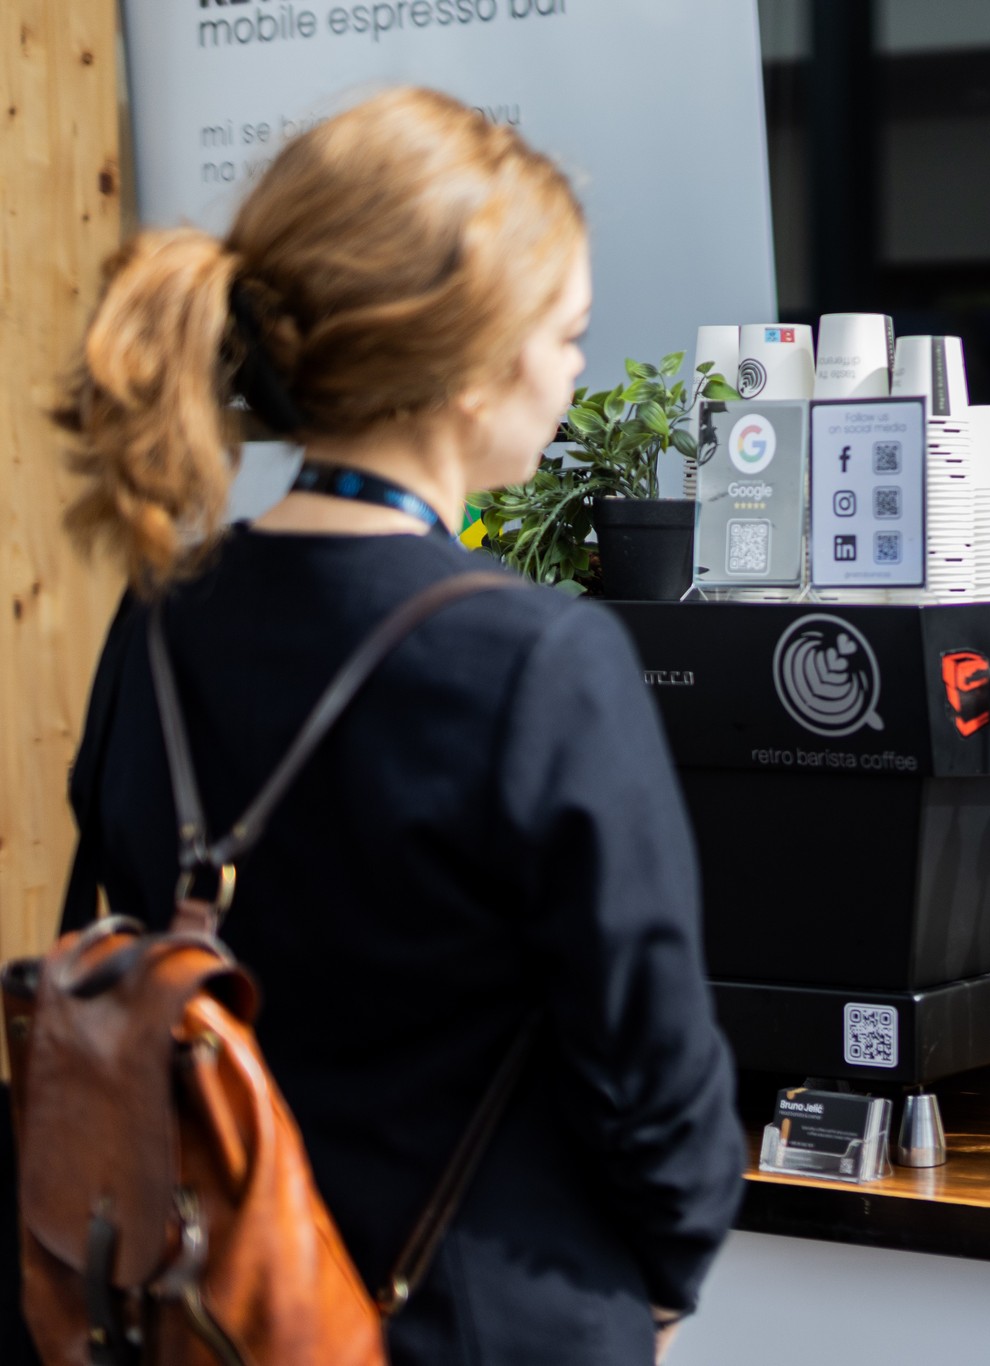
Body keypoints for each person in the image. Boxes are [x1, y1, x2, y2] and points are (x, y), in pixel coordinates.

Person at [51, 87, 743, 1363]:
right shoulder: (540, 658)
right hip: (478, 1317)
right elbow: (653, 1070)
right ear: (468, 367)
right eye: (565, 333)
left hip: (200, 1314)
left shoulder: (154, 623)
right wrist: (661, 1276)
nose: (573, 370)